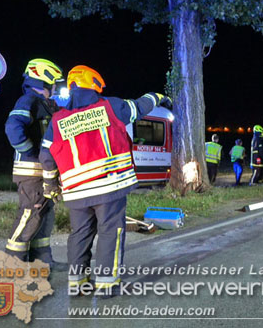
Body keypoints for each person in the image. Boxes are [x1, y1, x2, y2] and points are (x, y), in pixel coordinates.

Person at [39, 65, 171, 297]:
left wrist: (50, 184)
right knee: (110, 232)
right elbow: (139, 107)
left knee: (79, 234)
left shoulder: (58, 120)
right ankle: (107, 284)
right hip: (109, 187)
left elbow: (46, 156)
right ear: (94, 84)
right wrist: (158, 96)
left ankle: (77, 283)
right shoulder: (110, 106)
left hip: (76, 192)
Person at [4, 58, 64, 265]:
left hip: (42, 172)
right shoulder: (28, 100)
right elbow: (13, 128)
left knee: (44, 215)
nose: (56, 86)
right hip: (30, 171)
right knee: (30, 214)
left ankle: (42, 260)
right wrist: (30, 152)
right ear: (44, 79)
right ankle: (13, 262)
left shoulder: (46, 105)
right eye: (55, 82)